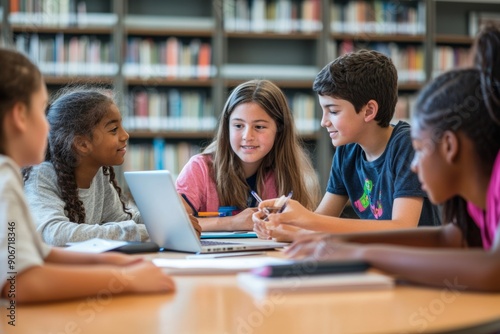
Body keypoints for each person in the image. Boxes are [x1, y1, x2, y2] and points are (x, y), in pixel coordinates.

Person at [284, 23, 500, 292]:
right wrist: (339, 244)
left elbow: (494, 270)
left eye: (420, 149)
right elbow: (449, 237)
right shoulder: (471, 199)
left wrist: (363, 254)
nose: (413, 164)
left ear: (449, 147)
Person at [0, 48, 174, 303]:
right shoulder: (7, 178)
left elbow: (42, 253)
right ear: (19, 117)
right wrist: (124, 279)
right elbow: (19, 283)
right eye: (40, 110)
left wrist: (110, 260)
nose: (48, 126)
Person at [253, 49, 440, 241]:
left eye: (333, 111)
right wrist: (282, 226)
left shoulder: (406, 145)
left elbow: (402, 228)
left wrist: (306, 219)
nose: (324, 122)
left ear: (369, 111)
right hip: (376, 258)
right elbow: (323, 219)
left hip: (416, 263)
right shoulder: (347, 150)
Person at [23, 87, 201, 246]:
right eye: (114, 130)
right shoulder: (42, 177)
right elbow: (55, 234)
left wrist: (170, 221)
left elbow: (122, 219)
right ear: (82, 144)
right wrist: (152, 232)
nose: (125, 135)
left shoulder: (98, 175)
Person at [176, 79, 321, 231]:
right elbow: (175, 224)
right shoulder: (200, 169)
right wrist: (232, 222)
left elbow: (303, 227)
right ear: (227, 128)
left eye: (259, 127)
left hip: (269, 254)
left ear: (279, 130)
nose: (247, 136)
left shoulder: (286, 172)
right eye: (238, 126)